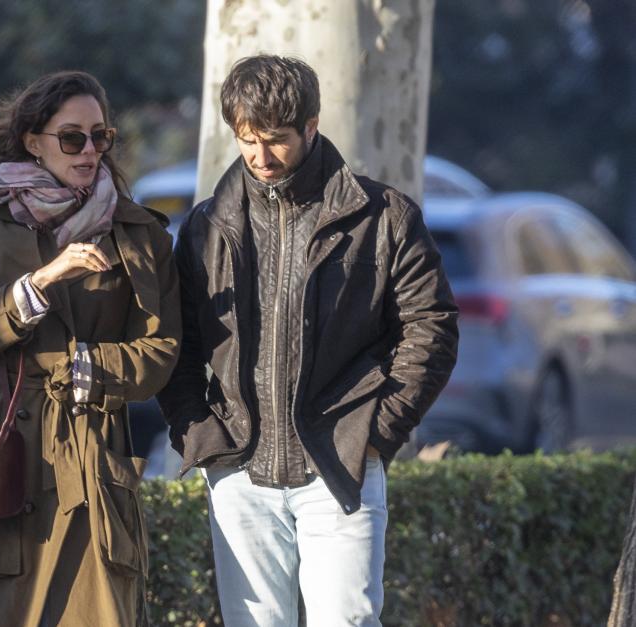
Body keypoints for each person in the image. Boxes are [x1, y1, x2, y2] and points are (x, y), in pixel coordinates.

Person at [157, 55, 458, 626]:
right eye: (247, 141)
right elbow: (180, 343)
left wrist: (378, 430)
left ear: (312, 127)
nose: (261, 158)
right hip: (238, 468)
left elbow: (431, 326)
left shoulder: (384, 216)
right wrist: (199, 434)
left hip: (341, 464)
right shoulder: (206, 226)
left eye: (276, 141)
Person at [0, 71, 180, 626]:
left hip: (91, 450)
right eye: (71, 137)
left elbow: (160, 350)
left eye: (99, 136)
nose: (89, 150)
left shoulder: (137, 233)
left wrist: (92, 365)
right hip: (4, 447)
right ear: (32, 141)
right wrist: (40, 283)